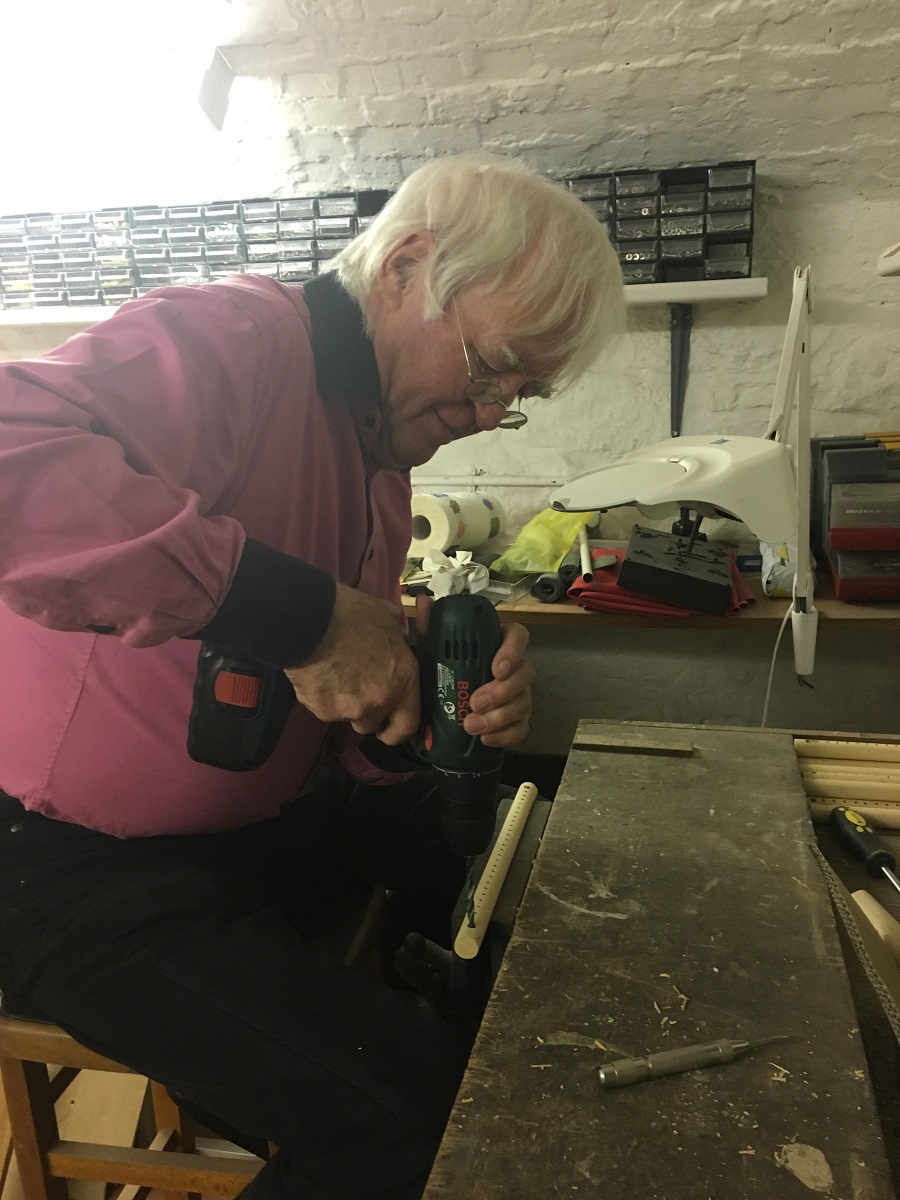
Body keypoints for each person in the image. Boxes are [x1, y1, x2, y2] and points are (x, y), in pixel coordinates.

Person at [0, 152, 623, 1200]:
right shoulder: (236, 340)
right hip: (60, 861)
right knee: (426, 1124)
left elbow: (333, 717)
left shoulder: (378, 456)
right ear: (407, 267)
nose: (488, 412)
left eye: (522, 395)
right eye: (490, 367)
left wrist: (424, 703)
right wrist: (307, 615)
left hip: (266, 825)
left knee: (560, 843)